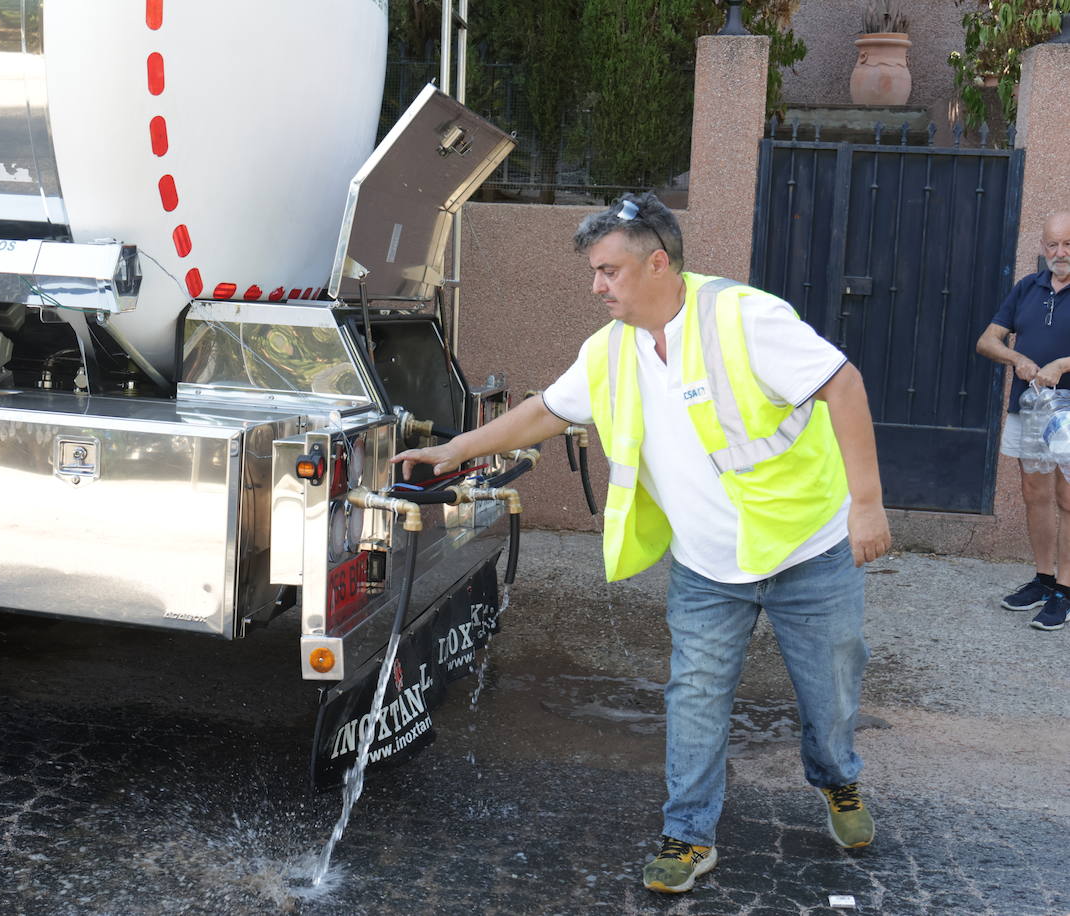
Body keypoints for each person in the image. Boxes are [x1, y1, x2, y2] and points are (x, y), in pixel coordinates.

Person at [393, 193, 891, 894]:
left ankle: (838, 780)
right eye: (594, 272)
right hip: (707, 566)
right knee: (694, 696)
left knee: (832, 690)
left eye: (609, 271)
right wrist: (457, 450)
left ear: (658, 264)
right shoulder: (610, 350)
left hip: (808, 549)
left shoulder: (744, 319)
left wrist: (866, 505)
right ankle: (688, 834)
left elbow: (845, 384)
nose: (597, 287)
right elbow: (545, 411)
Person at [975, 210, 1070, 632]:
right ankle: (1044, 579)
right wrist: (1017, 358)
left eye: (1068, 244)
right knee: (1035, 494)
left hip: (1069, 412)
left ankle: (1065, 591)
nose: (1060, 252)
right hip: (1030, 408)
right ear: (1042, 246)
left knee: (1068, 498)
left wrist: (1062, 364)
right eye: (1053, 244)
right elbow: (987, 340)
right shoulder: (1027, 287)